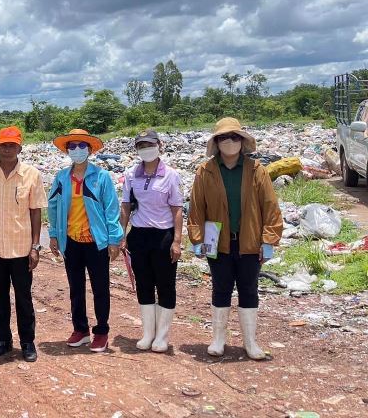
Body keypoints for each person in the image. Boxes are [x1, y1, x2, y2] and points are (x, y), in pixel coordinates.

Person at [187, 117, 283, 360]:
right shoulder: (205, 171)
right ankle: (218, 339)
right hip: (217, 242)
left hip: (249, 241)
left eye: (234, 137)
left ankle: (250, 343)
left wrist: (268, 240)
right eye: (223, 138)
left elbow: (270, 207)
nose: (229, 142)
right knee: (221, 289)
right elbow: (197, 208)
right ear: (216, 143)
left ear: (242, 141)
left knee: (249, 289)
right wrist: (197, 240)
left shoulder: (256, 170)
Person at [0, 126, 48, 362]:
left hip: (21, 247)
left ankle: (27, 342)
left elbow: (35, 212)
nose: (7, 149)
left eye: (12, 145)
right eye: (3, 145)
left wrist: (35, 247)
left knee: (23, 297)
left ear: (19, 148)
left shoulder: (31, 175)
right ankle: (3, 340)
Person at [47, 129, 123, 353]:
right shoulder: (61, 178)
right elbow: (53, 206)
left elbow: (111, 209)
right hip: (71, 240)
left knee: (100, 288)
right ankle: (80, 330)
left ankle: (101, 332)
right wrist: (53, 234)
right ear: (67, 150)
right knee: (76, 288)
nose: (77, 150)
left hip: (96, 241)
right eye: (72, 146)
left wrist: (114, 239)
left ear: (89, 150)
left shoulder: (102, 177)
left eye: (82, 146)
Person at [119, 130, 184, 353]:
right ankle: (148, 334)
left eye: (150, 144)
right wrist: (122, 234)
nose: (146, 149)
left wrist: (177, 241)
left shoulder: (171, 175)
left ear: (159, 145)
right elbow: (126, 206)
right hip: (139, 235)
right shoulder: (130, 174)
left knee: (165, 284)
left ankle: (162, 336)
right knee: (144, 283)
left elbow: (177, 209)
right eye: (141, 146)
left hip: (163, 236)